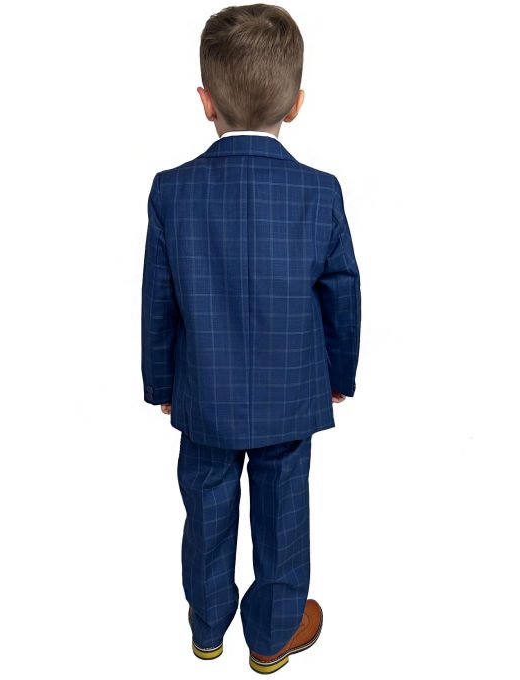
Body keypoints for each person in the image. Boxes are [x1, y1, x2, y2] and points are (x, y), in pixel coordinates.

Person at [141, 3, 361, 673]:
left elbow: (158, 299)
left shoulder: (171, 192)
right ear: (296, 104)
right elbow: (343, 291)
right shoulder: (320, 193)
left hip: (203, 391)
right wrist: (338, 376)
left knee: (207, 511)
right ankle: (271, 637)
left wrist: (161, 383)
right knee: (284, 517)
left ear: (205, 101)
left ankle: (208, 626)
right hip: (290, 394)